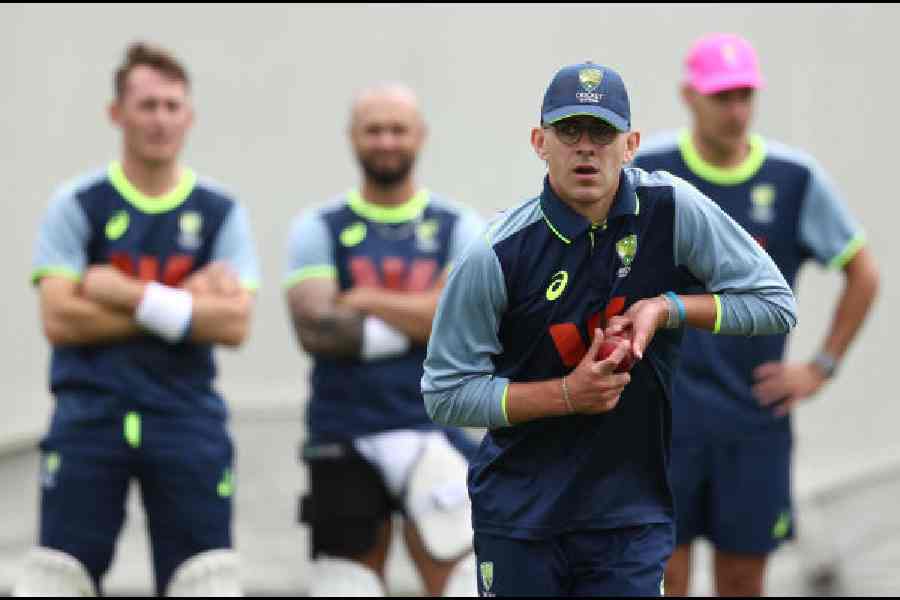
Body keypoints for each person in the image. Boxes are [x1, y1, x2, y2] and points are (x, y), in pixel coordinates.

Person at [421, 61, 799, 597]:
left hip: (629, 514)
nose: (585, 147)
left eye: (602, 132)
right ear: (539, 142)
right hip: (521, 514)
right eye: (569, 130)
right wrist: (566, 395)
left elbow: (775, 303)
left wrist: (665, 308)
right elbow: (444, 393)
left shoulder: (671, 210)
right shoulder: (495, 254)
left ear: (631, 144)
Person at [631, 33, 880, 596]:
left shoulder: (794, 179)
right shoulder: (649, 171)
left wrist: (821, 366)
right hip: (661, 421)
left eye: (745, 95)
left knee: (743, 579)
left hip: (752, 417)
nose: (736, 110)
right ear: (689, 96)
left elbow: (863, 273)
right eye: (722, 96)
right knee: (659, 576)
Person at [17, 42, 259, 597]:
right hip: (89, 415)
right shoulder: (78, 203)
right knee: (55, 582)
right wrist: (183, 303)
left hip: (185, 418)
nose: (160, 119)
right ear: (116, 113)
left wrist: (126, 293)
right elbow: (59, 319)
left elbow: (235, 325)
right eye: (147, 105)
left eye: (173, 106)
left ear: (190, 117)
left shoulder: (220, 209)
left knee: (208, 583)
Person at [283, 83, 486, 597]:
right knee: (344, 587)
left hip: (434, 428)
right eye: (374, 130)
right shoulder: (319, 226)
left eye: (398, 129)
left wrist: (364, 297)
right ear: (353, 137)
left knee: (464, 585)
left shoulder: (458, 226)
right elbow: (317, 330)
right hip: (344, 432)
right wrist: (423, 318)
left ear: (420, 136)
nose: (387, 141)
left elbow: (462, 324)